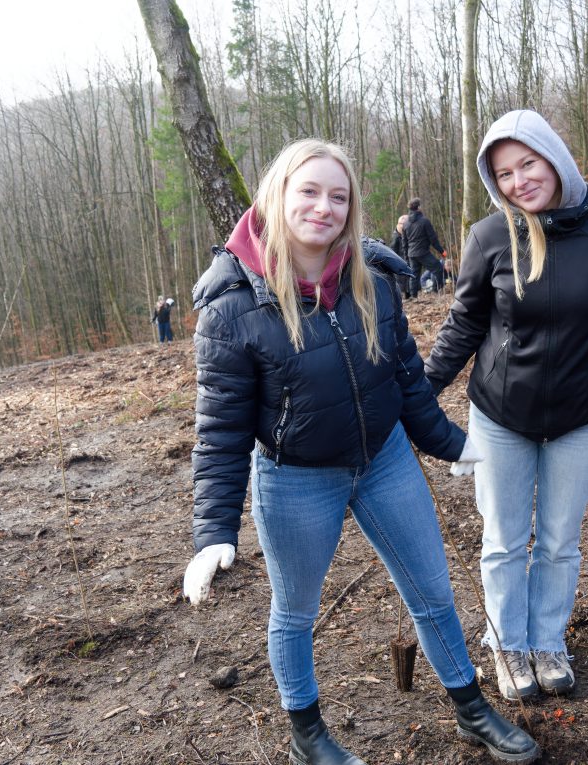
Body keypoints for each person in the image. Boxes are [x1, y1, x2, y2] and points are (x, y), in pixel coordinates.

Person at [182, 139, 540, 765]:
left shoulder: (370, 279)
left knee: (433, 591)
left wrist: (451, 442)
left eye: (338, 197)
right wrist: (214, 530)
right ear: (279, 195)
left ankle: (470, 709)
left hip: (386, 461)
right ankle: (308, 736)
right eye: (310, 192)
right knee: (294, 612)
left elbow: (404, 380)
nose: (324, 207)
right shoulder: (233, 307)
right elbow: (220, 431)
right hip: (295, 480)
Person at [425, 110, 588, 701]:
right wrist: (418, 389)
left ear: (554, 158)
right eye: (505, 174)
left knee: (560, 539)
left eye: (528, 164)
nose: (519, 182)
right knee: (505, 538)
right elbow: (463, 325)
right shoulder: (490, 238)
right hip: (500, 414)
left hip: (582, 414)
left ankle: (547, 641)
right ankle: (508, 645)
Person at [403, 198, 446, 297]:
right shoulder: (425, 221)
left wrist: (406, 257)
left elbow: (404, 243)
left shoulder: (406, 224)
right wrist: (442, 251)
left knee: (413, 275)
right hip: (423, 253)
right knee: (438, 269)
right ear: (418, 207)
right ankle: (436, 291)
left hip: (411, 254)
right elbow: (433, 239)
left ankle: (413, 297)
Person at [388, 214, 412, 299]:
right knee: (402, 280)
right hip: (401, 261)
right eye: (402, 224)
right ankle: (404, 296)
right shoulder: (396, 236)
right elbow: (393, 250)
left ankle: (408, 295)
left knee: (408, 279)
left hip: (407, 259)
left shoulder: (407, 234)